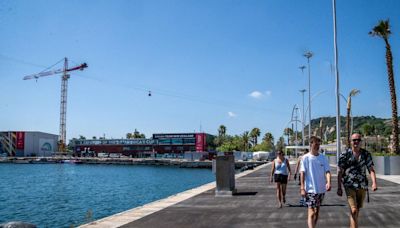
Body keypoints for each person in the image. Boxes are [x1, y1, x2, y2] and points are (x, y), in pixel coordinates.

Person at [337, 133, 378, 228]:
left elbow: (371, 169)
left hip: (362, 186)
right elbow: (340, 171)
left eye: (358, 140)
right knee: (354, 210)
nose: (356, 142)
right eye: (354, 140)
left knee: (356, 211)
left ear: (361, 142)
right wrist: (339, 187)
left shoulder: (366, 154)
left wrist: (374, 183)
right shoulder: (345, 154)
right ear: (350, 142)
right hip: (349, 185)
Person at [300, 136, 331, 228]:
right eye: (315, 144)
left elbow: (327, 171)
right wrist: (302, 187)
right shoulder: (305, 158)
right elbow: (302, 173)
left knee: (317, 212)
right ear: (310, 144)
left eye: (318, 144)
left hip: (321, 189)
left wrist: (328, 182)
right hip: (309, 189)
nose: (317, 146)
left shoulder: (323, 158)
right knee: (312, 213)